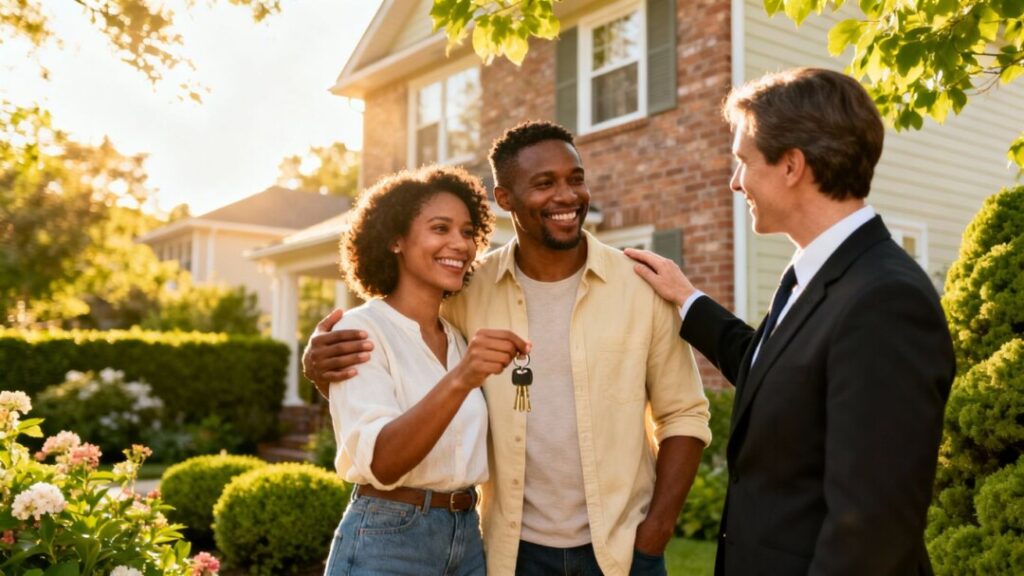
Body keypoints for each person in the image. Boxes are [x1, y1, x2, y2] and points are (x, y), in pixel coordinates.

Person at [307, 121, 712, 576]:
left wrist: (655, 532)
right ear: (505, 200)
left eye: (575, 179)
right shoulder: (467, 292)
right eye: (544, 183)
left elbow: (684, 414)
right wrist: (321, 364)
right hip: (509, 554)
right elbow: (401, 335)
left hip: (620, 551)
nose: (567, 196)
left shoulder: (639, 286)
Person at [625, 67, 955, 575]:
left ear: (792, 166)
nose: (736, 182)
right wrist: (689, 301)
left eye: (743, 162)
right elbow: (780, 374)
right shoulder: (825, 272)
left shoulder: (884, 301)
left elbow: (869, 530)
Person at [322, 165, 529, 575]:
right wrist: (462, 378)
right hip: (387, 537)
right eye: (440, 228)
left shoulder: (457, 337)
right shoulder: (360, 332)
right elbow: (383, 462)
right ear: (396, 239)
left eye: (468, 232)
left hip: (466, 535)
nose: (460, 244)